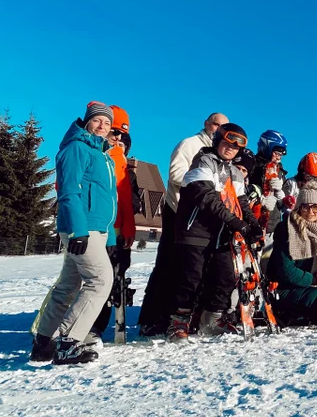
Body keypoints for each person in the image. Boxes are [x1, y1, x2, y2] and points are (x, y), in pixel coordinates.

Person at [31, 102, 118, 364]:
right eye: (97, 121)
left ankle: (43, 343)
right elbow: (69, 191)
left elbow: (108, 200)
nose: (102, 127)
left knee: (69, 285)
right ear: (86, 122)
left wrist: (110, 238)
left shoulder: (102, 154)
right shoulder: (77, 148)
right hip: (82, 228)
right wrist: (79, 231)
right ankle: (68, 342)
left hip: (97, 229)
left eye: (107, 123)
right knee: (101, 281)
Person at [166, 123, 262, 341]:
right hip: (195, 230)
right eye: (227, 142)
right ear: (217, 140)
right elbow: (207, 199)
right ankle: (178, 322)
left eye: (236, 146)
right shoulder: (203, 162)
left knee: (227, 275)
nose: (231, 148)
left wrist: (253, 225)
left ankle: (211, 320)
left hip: (221, 233)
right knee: (191, 279)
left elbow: (242, 203)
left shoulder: (235, 172)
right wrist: (237, 223)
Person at [139, 112, 228, 336]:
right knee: (167, 264)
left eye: (223, 127)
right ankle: (152, 318)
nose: (218, 129)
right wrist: (205, 185)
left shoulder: (220, 152)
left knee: (191, 270)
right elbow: (176, 174)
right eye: (215, 124)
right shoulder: (190, 144)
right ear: (206, 124)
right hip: (179, 211)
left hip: (203, 217)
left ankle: (184, 316)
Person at [88, 105, 137, 345]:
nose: (117, 138)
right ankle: (84, 327)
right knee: (93, 281)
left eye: (122, 135)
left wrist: (129, 229)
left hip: (117, 231)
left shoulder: (125, 165)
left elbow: (128, 201)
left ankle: (98, 326)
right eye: (114, 132)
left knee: (114, 280)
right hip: (96, 229)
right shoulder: (94, 155)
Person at [265, 181, 317, 323]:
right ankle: (289, 311)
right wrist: (314, 280)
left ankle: (309, 309)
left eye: (315, 207)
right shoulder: (287, 229)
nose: (310, 211)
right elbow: (286, 270)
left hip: (311, 284)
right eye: (305, 207)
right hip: (285, 287)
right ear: (298, 208)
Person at [251, 130, 288, 233]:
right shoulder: (252, 165)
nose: (279, 157)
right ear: (266, 147)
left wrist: (280, 194)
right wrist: (260, 200)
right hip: (250, 221)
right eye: (276, 153)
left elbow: (284, 204)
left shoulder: (280, 172)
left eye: (281, 154)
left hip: (271, 225)